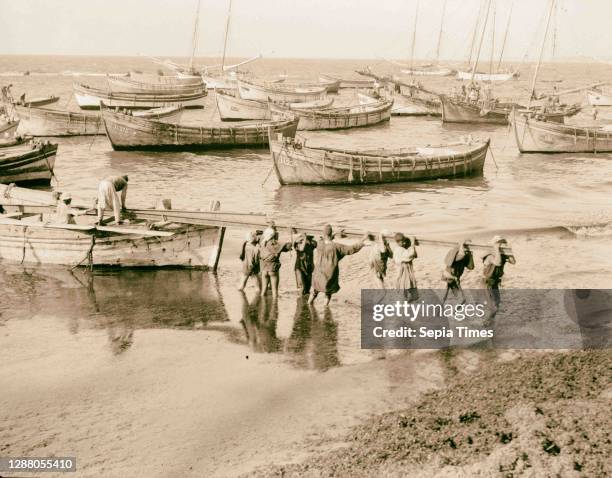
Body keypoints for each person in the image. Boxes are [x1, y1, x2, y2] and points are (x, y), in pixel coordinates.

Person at [309, 225, 365, 306]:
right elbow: (351, 249)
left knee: (314, 291)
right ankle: (325, 308)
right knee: (328, 293)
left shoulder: (319, 244)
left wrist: (335, 233)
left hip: (318, 273)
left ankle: (309, 304)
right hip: (329, 274)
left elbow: (326, 238)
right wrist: (362, 242)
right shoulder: (336, 246)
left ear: (323, 234)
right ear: (331, 233)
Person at [482, 236, 516, 309]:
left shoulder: (502, 256)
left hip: (494, 282)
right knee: (492, 305)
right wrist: (496, 248)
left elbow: (513, 262)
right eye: (500, 243)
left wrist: (509, 251)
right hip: (488, 283)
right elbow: (498, 263)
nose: (502, 245)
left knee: (497, 303)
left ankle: (490, 319)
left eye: (503, 243)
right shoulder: (490, 256)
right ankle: (487, 318)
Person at [259, 227, 292, 298]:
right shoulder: (276, 244)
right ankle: (274, 306)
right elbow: (288, 247)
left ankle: (261, 303)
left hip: (264, 268)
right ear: (273, 235)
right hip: (272, 268)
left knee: (263, 290)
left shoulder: (262, 242)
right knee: (274, 291)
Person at [390, 233, 418, 300]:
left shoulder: (400, 248)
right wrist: (412, 242)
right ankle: (405, 297)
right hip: (403, 268)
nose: (404, 243)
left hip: (404, 267)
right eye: (403, 241)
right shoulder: (399, 249)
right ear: (398, 242)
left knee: (406, 281)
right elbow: (410, 254)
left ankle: (407, 296)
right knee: (405, 282)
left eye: (405, 241)